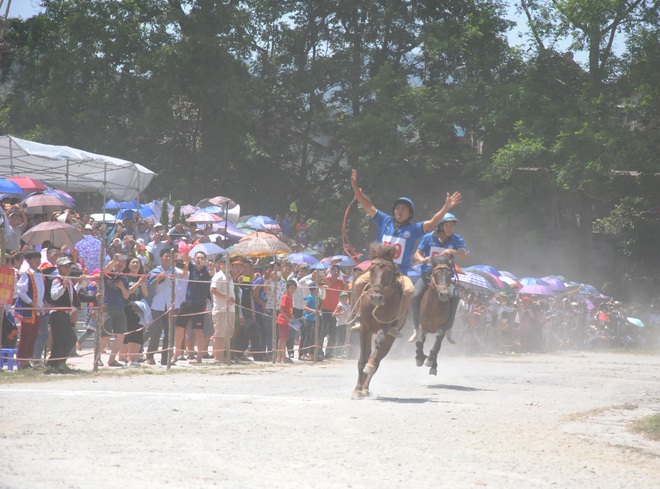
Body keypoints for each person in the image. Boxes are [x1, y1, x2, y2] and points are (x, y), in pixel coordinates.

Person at [350, 169, 462, 337]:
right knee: (358, 284)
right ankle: (359, 316)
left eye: (403, 209)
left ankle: (397, 323)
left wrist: (446, 207)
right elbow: (368, 204)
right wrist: (355, 187)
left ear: (410, 213)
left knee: (410, 291)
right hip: (379, 269)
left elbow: (432, 223)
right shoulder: (384, 220)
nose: (399, 211)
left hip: (399, 272)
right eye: (397, 208)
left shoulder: (414, 229)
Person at [408, 213, 468, 344]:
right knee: (415, 295)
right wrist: (422, 259)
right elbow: (417, 254)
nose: (450, 228)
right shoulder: (428, 238)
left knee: (455, 296)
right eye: (447, 225)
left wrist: (452, 252)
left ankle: (448, 329)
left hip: (445, 278)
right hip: (428, 275)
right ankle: (416, 328)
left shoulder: (457, 239)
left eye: (452, 226)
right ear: (441, 226)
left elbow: (464, 256)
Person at [46, 256, 81, 373]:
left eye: (69, 266)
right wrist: (63, 286)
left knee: (70, 339)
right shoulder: (57, 280)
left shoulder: (68, 280)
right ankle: (54, 364)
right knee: (59, 340)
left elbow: (72, 295)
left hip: (65, 314)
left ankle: (59, 362)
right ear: (59, 267)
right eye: (65, 267)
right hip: (58, 313)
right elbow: (54, 296)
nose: (68, 269)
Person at [174, 251, 209, 364]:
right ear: (194, 259)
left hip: (199, 305)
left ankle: (199, 357)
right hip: (186, 303)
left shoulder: (207, 271)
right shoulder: (190, 268)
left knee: (198, 331)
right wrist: (185, 260)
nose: (199, 260)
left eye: (202, 258)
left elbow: (212, 274)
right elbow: (182, 270)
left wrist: (211, 267)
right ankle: (176, 354)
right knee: (179, 328)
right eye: (198, 258)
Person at [14, 250, 45, 370]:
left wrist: (41, 305)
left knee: (33, 336)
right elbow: (20, 291)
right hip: (28, 310)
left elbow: (41, 291)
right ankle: (22, 362)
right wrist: (32, 303)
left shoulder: (40, 273)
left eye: (39, 258)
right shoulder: (26, 274)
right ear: (28, 261)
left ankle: (28, 360)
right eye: (34, 259)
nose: (38, 261)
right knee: (26, 336)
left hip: (37, 310)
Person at [210, 256, 235, 364]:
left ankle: (223, 355)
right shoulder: (218, 276)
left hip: (230, 309)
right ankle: (217, 357)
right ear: (220, 264)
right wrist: (226, 297)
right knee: (219, 334)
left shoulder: (229, 276)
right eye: (225, 263)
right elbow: (213, 290)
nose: (227, 265)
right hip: (221, 310)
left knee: (227, 334)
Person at [276, 280, 297, 363]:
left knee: (283, 338)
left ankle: (279, 357)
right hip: (283, 320)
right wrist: (288, 318)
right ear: (287, 288)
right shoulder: (286, 296)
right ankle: (282, 357)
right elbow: (281, 308)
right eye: (291, 288)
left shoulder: (291, 297)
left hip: (287, 320)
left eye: (294, 288)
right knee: (283, 339)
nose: (293, 290)